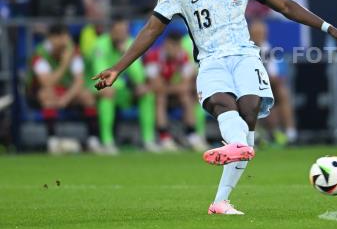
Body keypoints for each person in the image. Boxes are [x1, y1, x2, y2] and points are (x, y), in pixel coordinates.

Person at [92, 0, 337, 214]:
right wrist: (118, 68)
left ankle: (221, 199)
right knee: (223, 106)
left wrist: (328, 27)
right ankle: (233, 153)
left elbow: (284, 5)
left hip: (244, 55)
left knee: (248, 112)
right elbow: (152, 29)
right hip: (210, 60)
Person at [27, 24, 100, 154]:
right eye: (61, 37)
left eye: (66, 37)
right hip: (39, 92)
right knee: (47, 95)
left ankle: (93, 140)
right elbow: (47, 82)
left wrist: (65, 99)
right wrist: (64, 63)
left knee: (87, 96)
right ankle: (52, 141)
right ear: (51, 39)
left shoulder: (73, 51)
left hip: (66, 91)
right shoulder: (40, 54)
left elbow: (79, 81)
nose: (65, 41)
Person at [91, 17, 156, 154]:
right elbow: (102, 75)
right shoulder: (100, 45)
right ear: (111, 32)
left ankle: (148, 140)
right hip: (102, 88)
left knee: (146, 93)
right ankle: (107, 142)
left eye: (124, 31)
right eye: (118, 31)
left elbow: (138, 76)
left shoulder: (131, 44)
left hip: (125, 90)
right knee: (107, 95)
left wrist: (124, 53)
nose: (121, 35)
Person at [144, 28, 208, 151]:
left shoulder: (183, 56)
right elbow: (156, 86)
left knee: (186, 96)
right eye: (173, 45)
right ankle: (164, 137)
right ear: (166, 44)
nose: (176, 49)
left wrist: (170, 87)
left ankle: (192, 135)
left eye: (177, 45)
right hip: (156, 95)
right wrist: (175, 87)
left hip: (172, 93)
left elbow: (186, 85)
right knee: (160, 98)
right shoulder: (153, 56)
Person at [249, 20, 298, 146]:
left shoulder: (268, 49)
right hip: (248, 89)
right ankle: (256, 136)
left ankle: (290, 134)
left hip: (267, 87)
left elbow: (275, 75)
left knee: (282, 91)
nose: (259, 36)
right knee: (253, 95)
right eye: (256, 33)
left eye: (261, 33)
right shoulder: (246, 50)